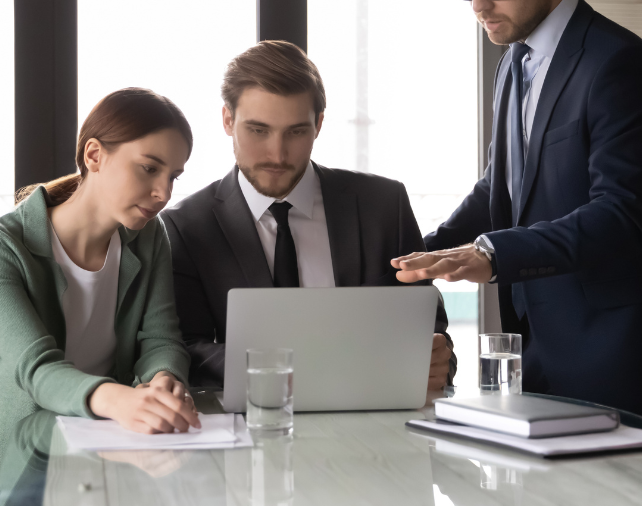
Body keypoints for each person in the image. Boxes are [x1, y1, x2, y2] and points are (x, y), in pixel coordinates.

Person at [392, 0, 642, 427]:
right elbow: (502, 187)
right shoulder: (515, 62)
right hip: (540, 361)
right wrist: (424, 253)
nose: (478, 6)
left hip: (619, 361)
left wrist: (491, 253)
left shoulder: (619, 66)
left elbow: (621, 217)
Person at [0, 88, 201, 505]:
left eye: (173, 176)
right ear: (94, 155)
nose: (164, 192)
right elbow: (35, 369)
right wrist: (120, 401)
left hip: (95, 450)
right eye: (149, 168)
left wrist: (163, 382)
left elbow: (161, 339)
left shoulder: (149, 237)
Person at [163, 41, 456, 390]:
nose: (277, 153)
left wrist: (441, 356)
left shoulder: (384, 205)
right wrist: (297, 369)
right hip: (254, 426)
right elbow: (185, 349)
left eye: (296, 131)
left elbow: (428, 325)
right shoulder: (185, 226)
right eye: (258, 130)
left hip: (373, 425)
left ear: (317, 124)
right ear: (228, 120)